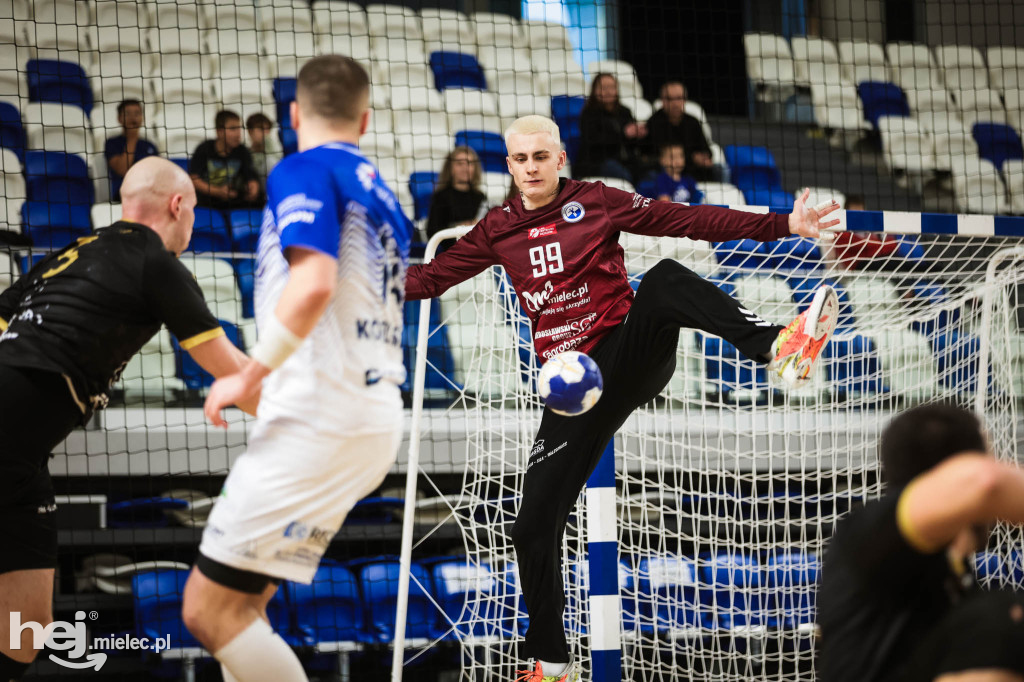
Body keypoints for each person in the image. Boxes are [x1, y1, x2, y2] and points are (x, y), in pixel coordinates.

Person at [406, 114, 841, 682]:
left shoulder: (598, 200)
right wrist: (356, 278)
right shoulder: (496, 229)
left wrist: (784, 223)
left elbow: (686, 219)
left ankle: (782, 348)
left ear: (560, 159)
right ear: (509, 165)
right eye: (520, 159)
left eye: (542, 156)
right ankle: (551, 662)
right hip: (574, 392)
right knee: (532, 527)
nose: (532, 167)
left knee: (661, 279)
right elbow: (430, 279)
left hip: (630, 353)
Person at [181, 55, 412, 682]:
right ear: (364, 119)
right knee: (242, 607)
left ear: (291, 114)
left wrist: (249, 375)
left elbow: (313, 284)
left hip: (319, 414)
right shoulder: (384, 191)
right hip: (370, 414)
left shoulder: (304, 168)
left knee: (205, 612)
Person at [0, 157, 257, 681]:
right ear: (178, 205)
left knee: (25, 630)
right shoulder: (154, 260)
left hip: (26, 456)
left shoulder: (70, 252)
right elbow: (233, 377)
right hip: (9, 419)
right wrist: (314, 420)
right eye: (194, 213)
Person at [818, 403, 1024, 682]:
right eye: (991, 458)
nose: (1005, 467)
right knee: (1000, 618)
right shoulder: (868, 532)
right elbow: (985, 482)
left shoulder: (954, 570)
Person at [576, 73, 646, 182]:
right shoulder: (588, 113)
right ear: (594, 91)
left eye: (612, 87)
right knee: (625, 176)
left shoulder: (625, 112)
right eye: (603, 88)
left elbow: (631, 144)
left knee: (649, 174)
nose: (608, 91)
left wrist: (638, 135)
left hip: (626, 160)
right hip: (598, 162)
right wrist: (624, 134)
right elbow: (593, 140)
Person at [646, 81, 720, 182]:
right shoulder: (654, 122)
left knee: (720, 169)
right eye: (670, 99)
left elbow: (706, 149)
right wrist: (692, 158)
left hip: (694, 170)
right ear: (663, 101)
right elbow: (659, 153)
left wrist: (704, 158)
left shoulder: (693, 121)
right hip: (666, 171)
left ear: (685, 100)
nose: (675, 103)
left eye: (679, 98)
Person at [190, 110, 262, 210]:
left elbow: (250, 176)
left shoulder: (242, 151)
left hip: (233, 205)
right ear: (219, 131)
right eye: (233, 129)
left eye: (239, 128)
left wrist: (253, 186)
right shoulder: (204, 149)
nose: (238, 134)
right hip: (205, 205)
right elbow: (194, 179)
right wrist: (217, 191)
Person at [426, 146, 487, 252]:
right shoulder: (440, 197)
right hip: (449, 254)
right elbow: (432, 232)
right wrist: (461, 228)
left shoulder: (480, 197)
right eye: (459, 163)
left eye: (470, 163)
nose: (465, 168)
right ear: (450, 168)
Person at [104, 99, 159, 201]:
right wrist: (132, 139)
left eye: (137, 113)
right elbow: (122, 170)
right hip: (123, 193)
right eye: (127, 114)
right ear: (119, 118)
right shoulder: (112, 143)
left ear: (142, 118)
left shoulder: (149, 145)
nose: (133, 117)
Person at [246, 112, 281, 196]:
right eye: (261, 129)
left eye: (268, 129)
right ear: (250, 131)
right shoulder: (245, 153)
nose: (266, 133)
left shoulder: (276, 151)